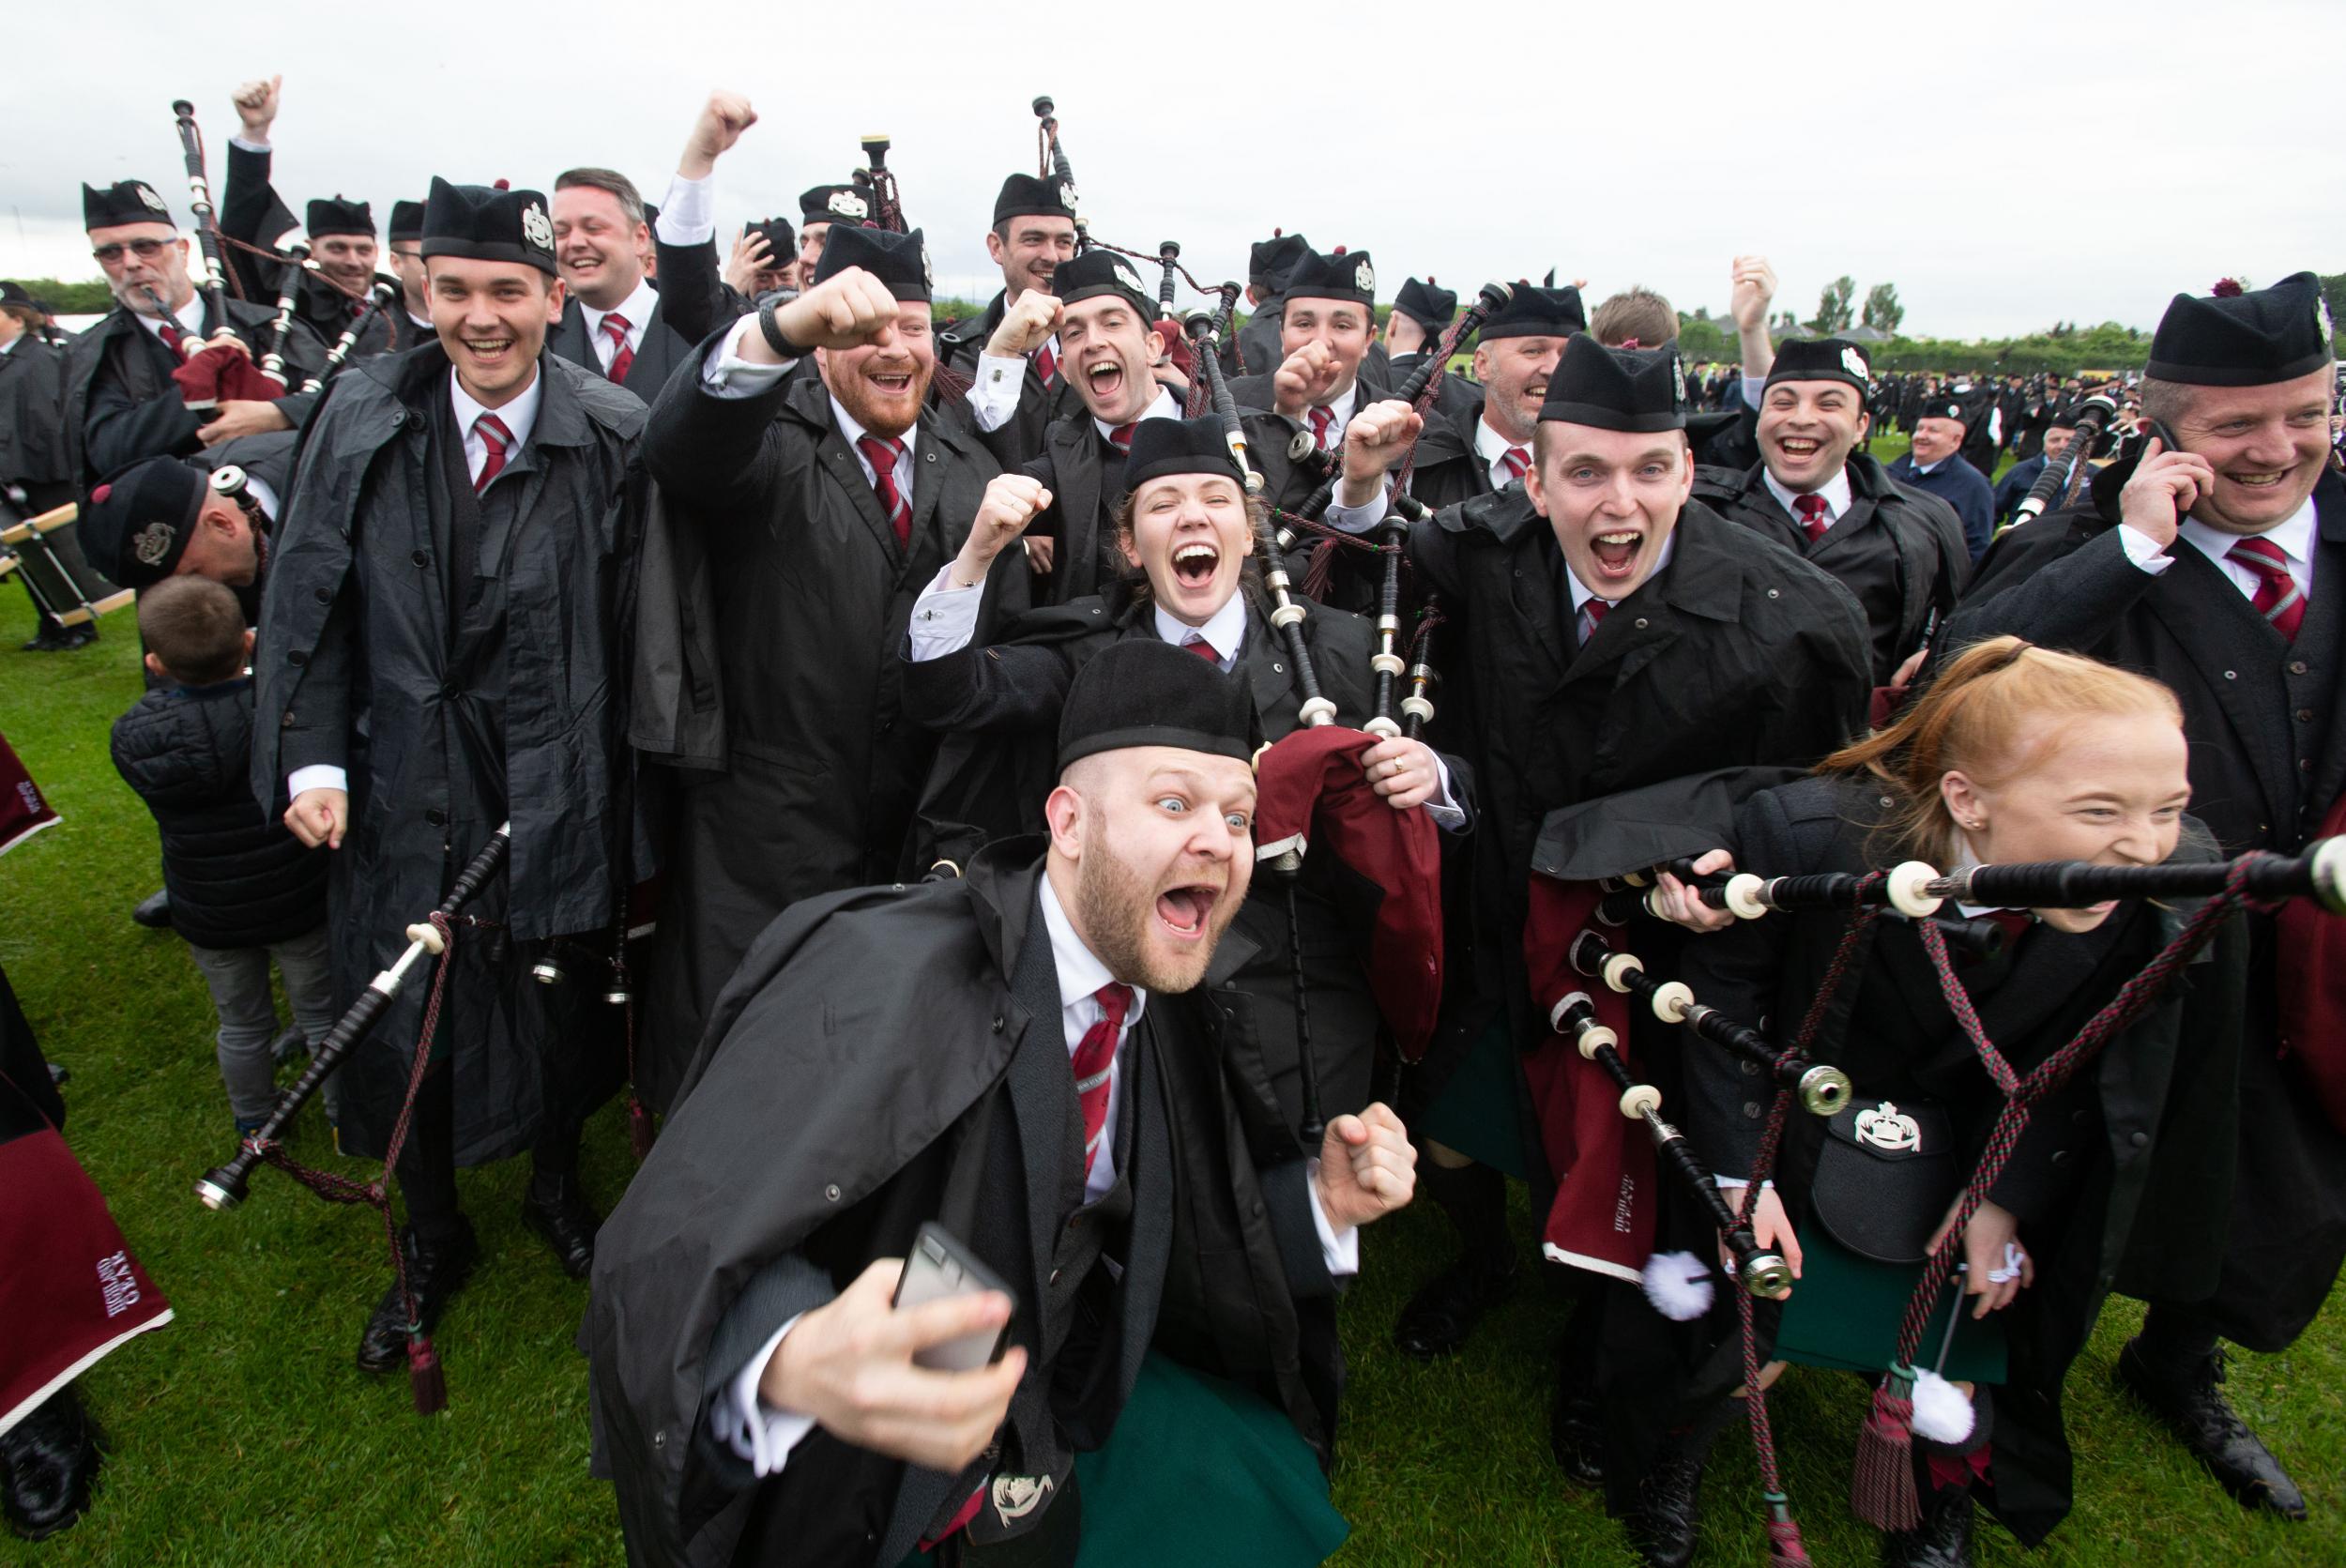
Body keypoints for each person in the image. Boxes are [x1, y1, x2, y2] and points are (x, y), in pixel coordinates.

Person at [585, 637, 1419, 1567]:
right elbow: (684, 1229)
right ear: (1067, 821)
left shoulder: (1171, 1003)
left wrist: (1321, 1205)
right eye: (1173, 802)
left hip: (1053, 1423)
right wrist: (786, 1360)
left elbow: (1176, 1234)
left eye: (1237, 816)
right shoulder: (875, 976)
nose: (1217, 842)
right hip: (861, 1494)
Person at [1328, 339, 1870, 1480]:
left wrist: (1726, 867)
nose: (1618, 504)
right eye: (1584, 474)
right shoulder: (1478, 553)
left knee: (1627, 1158)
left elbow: (1824, 802)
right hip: (1488, 910)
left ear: (1688, 467)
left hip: (1659, 958)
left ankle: (1592, 1344)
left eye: (1649, 470)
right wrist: (1362, 480)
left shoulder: (1792, 620)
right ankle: (1477, 1263)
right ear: (1531, 476)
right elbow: (1359, 580)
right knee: (1453, 1110)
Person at [1659, 637, 2244, 1568]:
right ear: (1966, 798)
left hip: (1978, 1141)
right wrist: (1741, 1172)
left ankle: (1933, 1495)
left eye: (2168, 809)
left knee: (1959, 1348)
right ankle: (1678, 1453)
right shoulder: (1815, 840)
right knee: (1740, 1329)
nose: (2142, 847)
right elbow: (1726, 999)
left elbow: (2085, 1063)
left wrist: (2002, 1195)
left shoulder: (2155, 894)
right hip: (1795, 1123)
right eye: (2099, 811)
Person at [1945, 270, 2342, 1522]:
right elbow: (1965, 671)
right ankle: (1989, 1409)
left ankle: (2181, 1361)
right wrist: (2128, 550)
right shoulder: (2089, 542)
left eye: (2305, 413)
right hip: (2132, 952)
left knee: (2280, 1188)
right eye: (2236, 426)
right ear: (2167, 430)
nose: (2275, 449)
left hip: (2320, 950)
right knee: (2074, 1181)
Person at [253, 175, 646, 1368]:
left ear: (553, 293)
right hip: (399, 775)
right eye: (456, 289)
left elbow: (643, 627)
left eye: (508, 291)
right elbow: (310, 604)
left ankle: (554, 1186)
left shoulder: (614, 432)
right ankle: (429, 1234)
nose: (481, 317)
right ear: (423, 290)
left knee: (555, 997)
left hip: (554, 765)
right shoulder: (361, 418)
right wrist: (312, 757)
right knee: (404, 1010)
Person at [904, 412, 1471, 1139]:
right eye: (1163, 504)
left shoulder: (1339, 650)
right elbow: (947, 692)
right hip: (1145, 990)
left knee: (1303, 1212)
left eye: (1215, 498)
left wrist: (1430, 775)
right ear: (1129, 546)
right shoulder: (1089, 656)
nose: (1192, 515)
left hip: (1311, 989)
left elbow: (1457, 789)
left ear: (1248, 530)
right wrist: (977, 556)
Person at [631, 221, 1011, 1118]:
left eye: (913, 326)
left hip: (911, 827)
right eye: (866, 327)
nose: (895, 347)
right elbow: (681, 446)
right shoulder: (765, 437)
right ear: (822, 342)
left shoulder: (968, 465)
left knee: (869, 1067)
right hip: (762, 830)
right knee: (736, 1063)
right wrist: (775, 328)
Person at [108, 573, 341, 1140]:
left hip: (209, 908)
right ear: (248, 643)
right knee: (322, 1015)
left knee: (240, 1022)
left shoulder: (136, 736)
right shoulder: (283, 714)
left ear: (155, 663)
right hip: (294, 898)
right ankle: (343, 1113)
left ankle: (256, 1121)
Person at [1694, 337, 1971, 686]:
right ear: (1760, 416)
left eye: (1829, 404)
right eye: (1782, 402)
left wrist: (1938, 653)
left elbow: (1960, 618)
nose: (1801, 418)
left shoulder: (1925, 522)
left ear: (1860, 426)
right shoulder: (1701, 513)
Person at [62, 178, 325, 490]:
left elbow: (346, 401)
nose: (131, 263)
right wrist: (194, 388)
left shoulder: (266, 325)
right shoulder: (92, 351)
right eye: (110, 254)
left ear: (183, 251)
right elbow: (109, 452)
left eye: (146, 246)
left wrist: (278, 414)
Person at [962, 248, 1188, 603]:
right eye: (1074, 332)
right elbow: (982, 491)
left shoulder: (1232, 430)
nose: (1094, 342)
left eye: (1112, 322)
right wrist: (1003, 354)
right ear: (1065, 370)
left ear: (1152, 347)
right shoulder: (1061, 456)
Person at [221, 75, 412, 361]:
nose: (353, 261)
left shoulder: (406, 302)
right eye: (337, 248)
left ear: (377, 252)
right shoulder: (290, 296)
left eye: (363, 249)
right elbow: (240, 243)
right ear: (312, 249)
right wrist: (255, 133)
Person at [935, 175, 1082, 462]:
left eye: (1064, 242)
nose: (1052, 256)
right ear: (996, 247)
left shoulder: (1099, 347)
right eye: (1033, 239)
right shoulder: (953, 355)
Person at [1404, 284, 1584, 512]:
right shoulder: (1419, 468)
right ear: (1483, 364)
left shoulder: (1595, 469)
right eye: (1533, 351)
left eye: (1566, 354)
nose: (1554, 368)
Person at [0, 280, 90, 650]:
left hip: (40, 471)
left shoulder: (36, 360)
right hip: (14, 470)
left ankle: (80, 625)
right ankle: (52, 623)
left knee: (60, 552)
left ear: (18, 319)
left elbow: (45, 422)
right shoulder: (11, 359)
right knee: (31, 557)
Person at [550, 167, 693, 399]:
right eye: (561, 232)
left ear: (640, 238)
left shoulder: (699, 329)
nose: (575, 242)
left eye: (593, 228)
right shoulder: (540, 339)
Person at [1889, 397, 1997, 562]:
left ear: (1956, 440)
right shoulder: (1888, 472)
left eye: (1933, 431)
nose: (1921, 436)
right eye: (1920, 428)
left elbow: (1976, 548)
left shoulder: (1973, 486)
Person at [1993, 411, 2079, 525]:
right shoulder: (2021, 471)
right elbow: (1993, 511)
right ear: (2044, 443)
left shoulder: (2093, 477)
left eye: (2070, 441)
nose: (2061, 446)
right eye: (2055, 440)